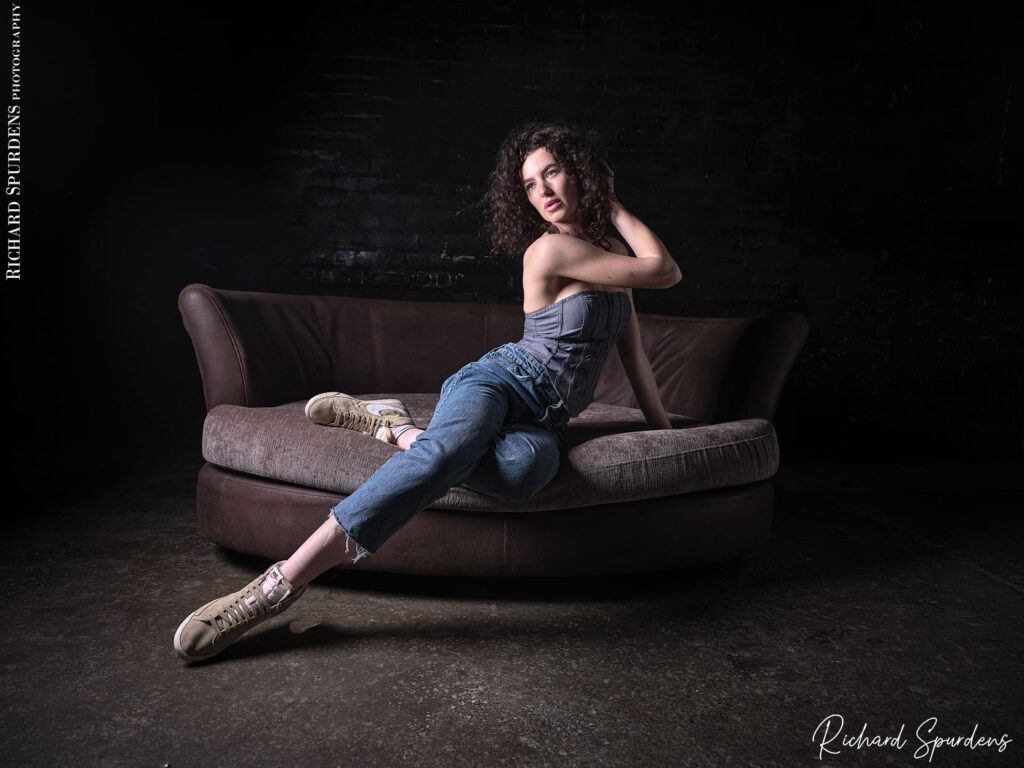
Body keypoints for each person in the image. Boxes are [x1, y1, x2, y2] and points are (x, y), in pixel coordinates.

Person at [173, 122, 681, 662]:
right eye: (530, 184)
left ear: (579, 172)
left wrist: (665, 430)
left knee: (524, 472)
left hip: (542, 422)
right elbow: (665, 270)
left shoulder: (612, 263)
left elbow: (636, 355)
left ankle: (396, 428)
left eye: (552, 172)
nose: (543, 192)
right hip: (498, 381)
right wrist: (615, 199)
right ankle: (275, 586)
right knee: (451, 451)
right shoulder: (549, 252)